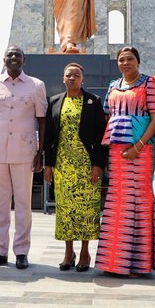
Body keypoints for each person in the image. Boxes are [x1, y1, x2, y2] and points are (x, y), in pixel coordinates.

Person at [95, 46, 155, 275]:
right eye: (121, 60)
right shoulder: (113, 86)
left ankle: (138, 263)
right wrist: (106, 153)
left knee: (138, 201)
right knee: (117, 203)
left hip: (141, 151)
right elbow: (108, 117)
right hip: (116, 152)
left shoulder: (150, 83)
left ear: (138, 61)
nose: (125, 63)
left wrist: (139, 146)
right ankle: (113, 262)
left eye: (130, 59)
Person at [0, 45, 47, 269]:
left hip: (25, 151)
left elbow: (42, 119)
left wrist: (40, 151)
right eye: (10, 55)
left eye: (17, 55)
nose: (13, 58)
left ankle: (21, 251)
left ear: (24, 59)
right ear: (4, 59)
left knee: (23, 203)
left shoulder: (36, 85)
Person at [44, 63, 107, 272]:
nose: (72, 78)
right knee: (65, 210)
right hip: (63, 166)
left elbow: (101, 137)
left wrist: (98, 165)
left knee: (87, 208)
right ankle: (68, 252)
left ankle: (84, 252)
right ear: (63, 78)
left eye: (76, 75)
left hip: (86, 165)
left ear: (83, 79)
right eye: (68, 75)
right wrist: (48, 165)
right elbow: (49, 137)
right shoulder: (54, 101)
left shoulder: (93, 101)